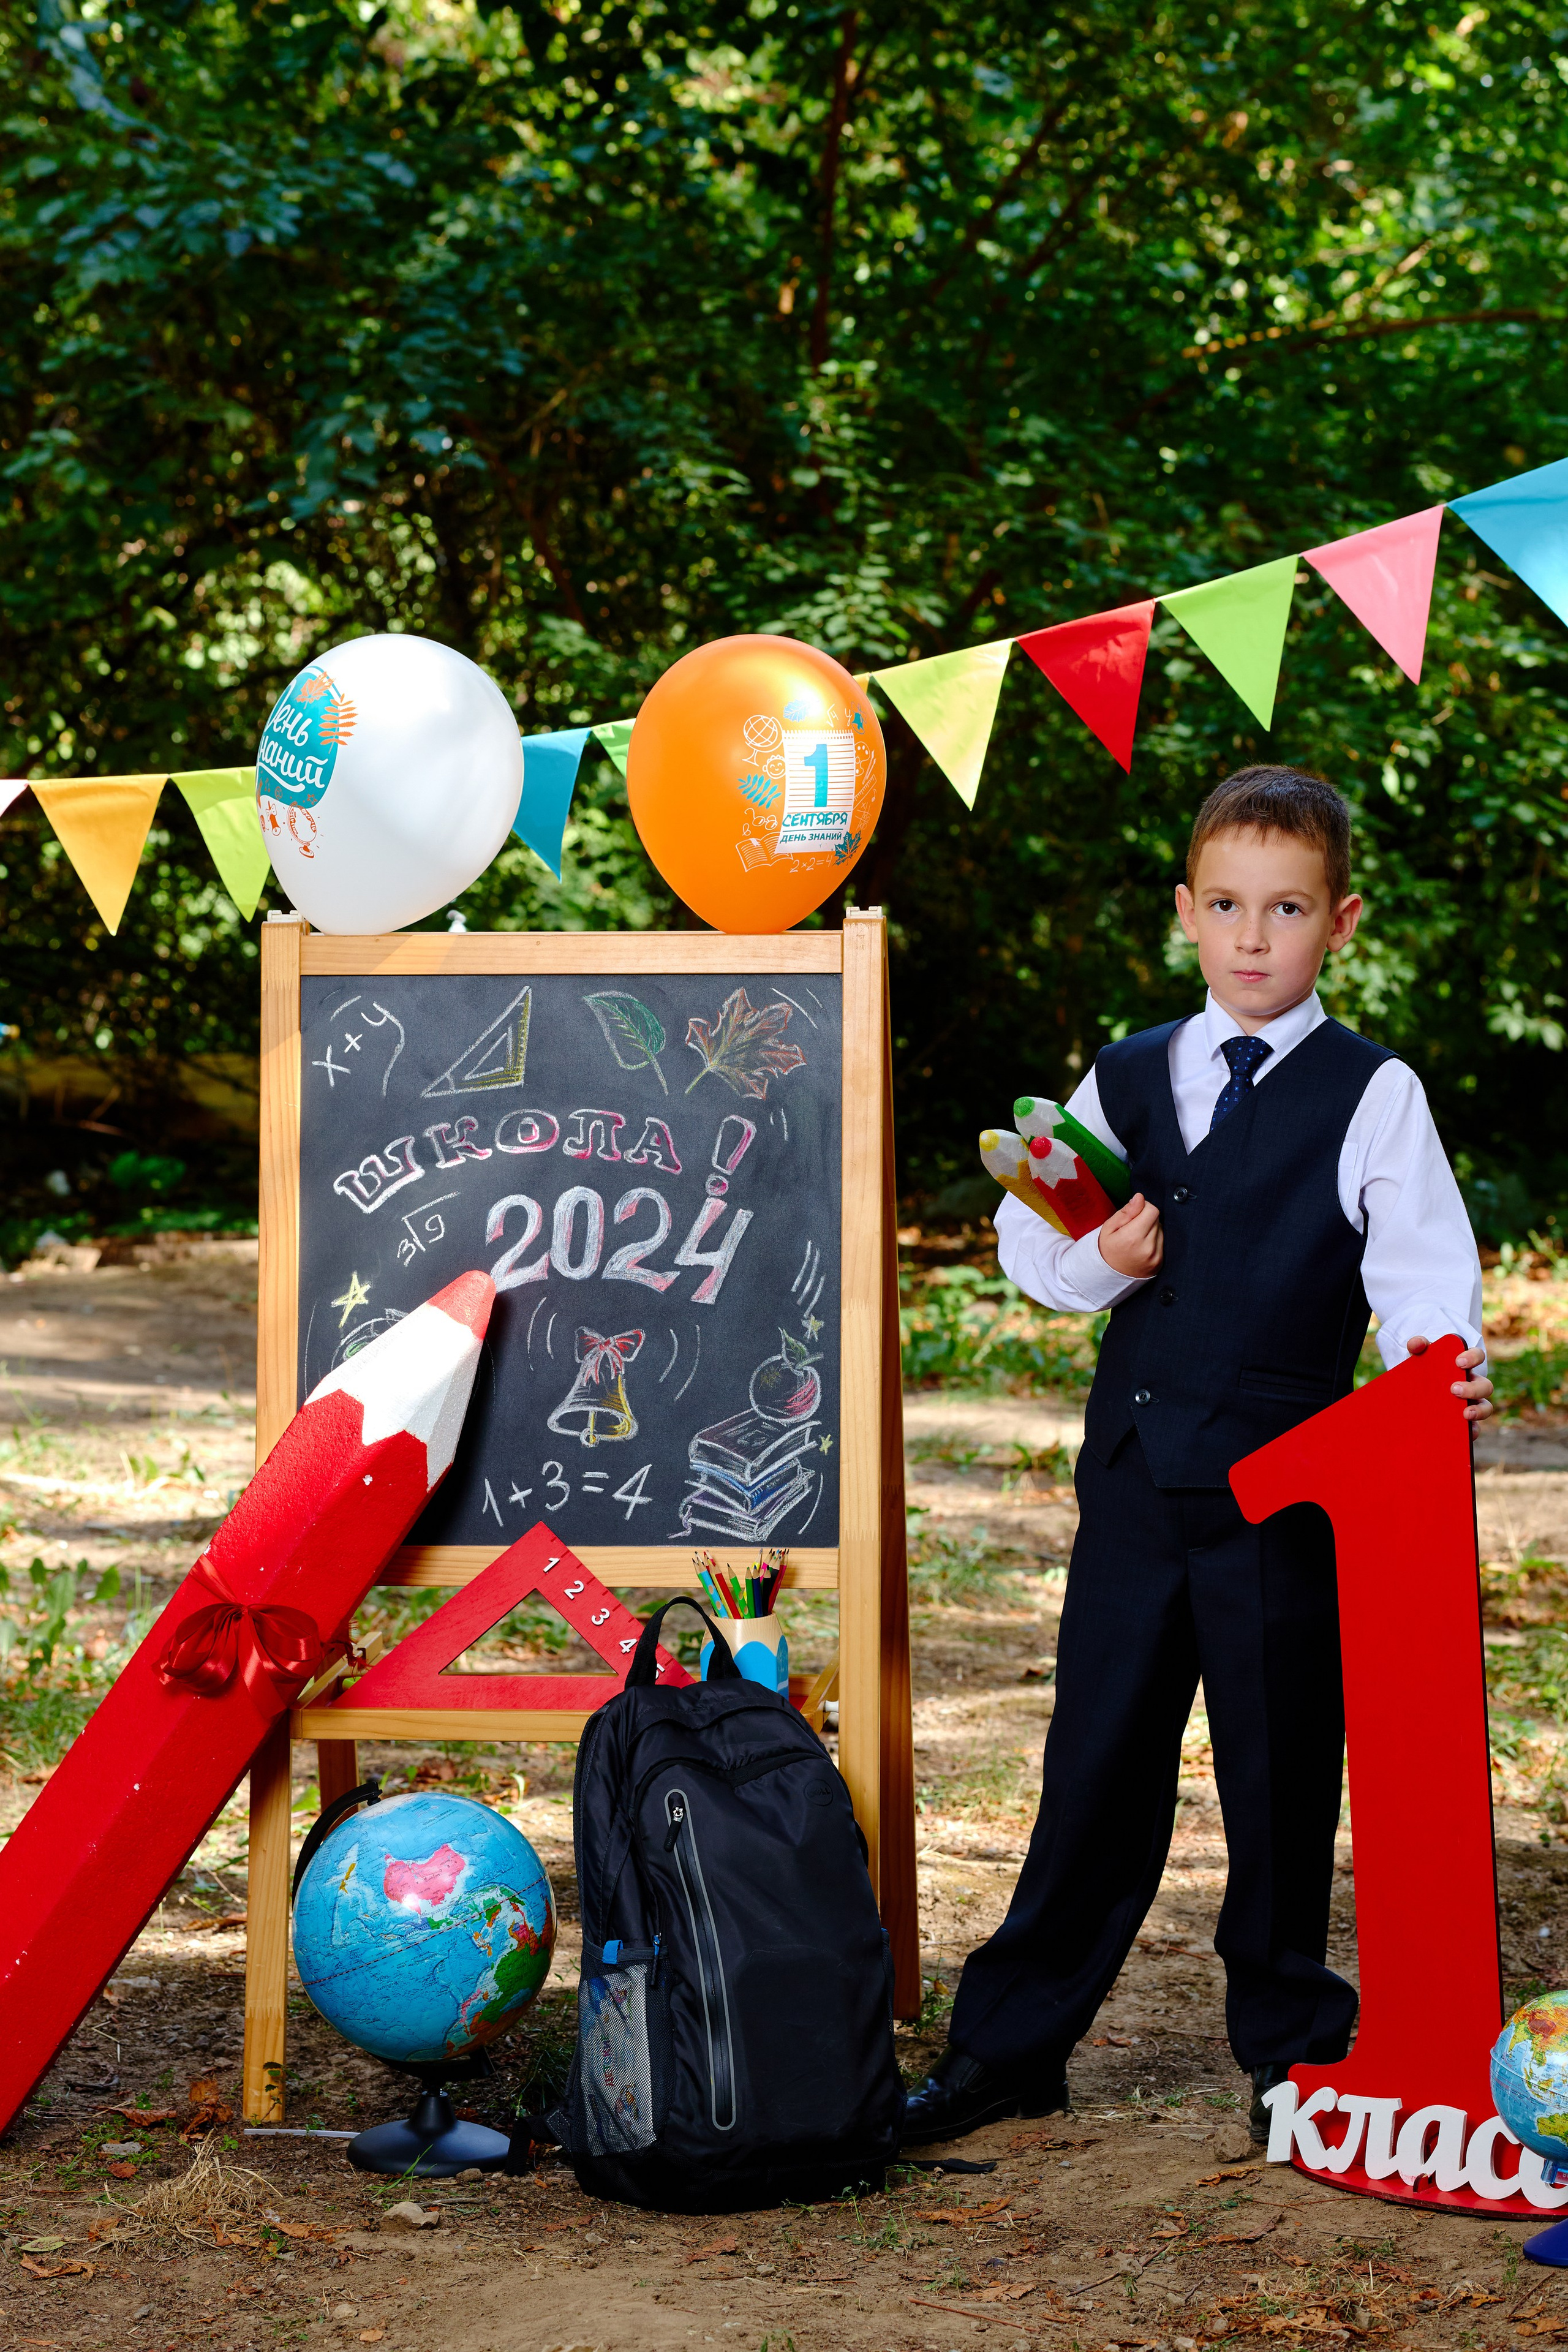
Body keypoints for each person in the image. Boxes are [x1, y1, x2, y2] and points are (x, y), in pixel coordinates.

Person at [903, 765, 1492, 2148]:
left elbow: (1420, 1270)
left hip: (1285, 1491)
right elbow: (1030, 1231)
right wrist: (1095, 1258)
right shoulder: (1122, 1074)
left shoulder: (1370, 1092)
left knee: (1278, 1769)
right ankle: (1008, 2044)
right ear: (1184, 910)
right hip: (1131, 1485)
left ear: (1335, 920)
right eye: (1224, 906)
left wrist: (1432, 1373)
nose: (1250, 937)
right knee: (1094, 1760)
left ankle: (1289, 2049)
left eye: (1282, 909)